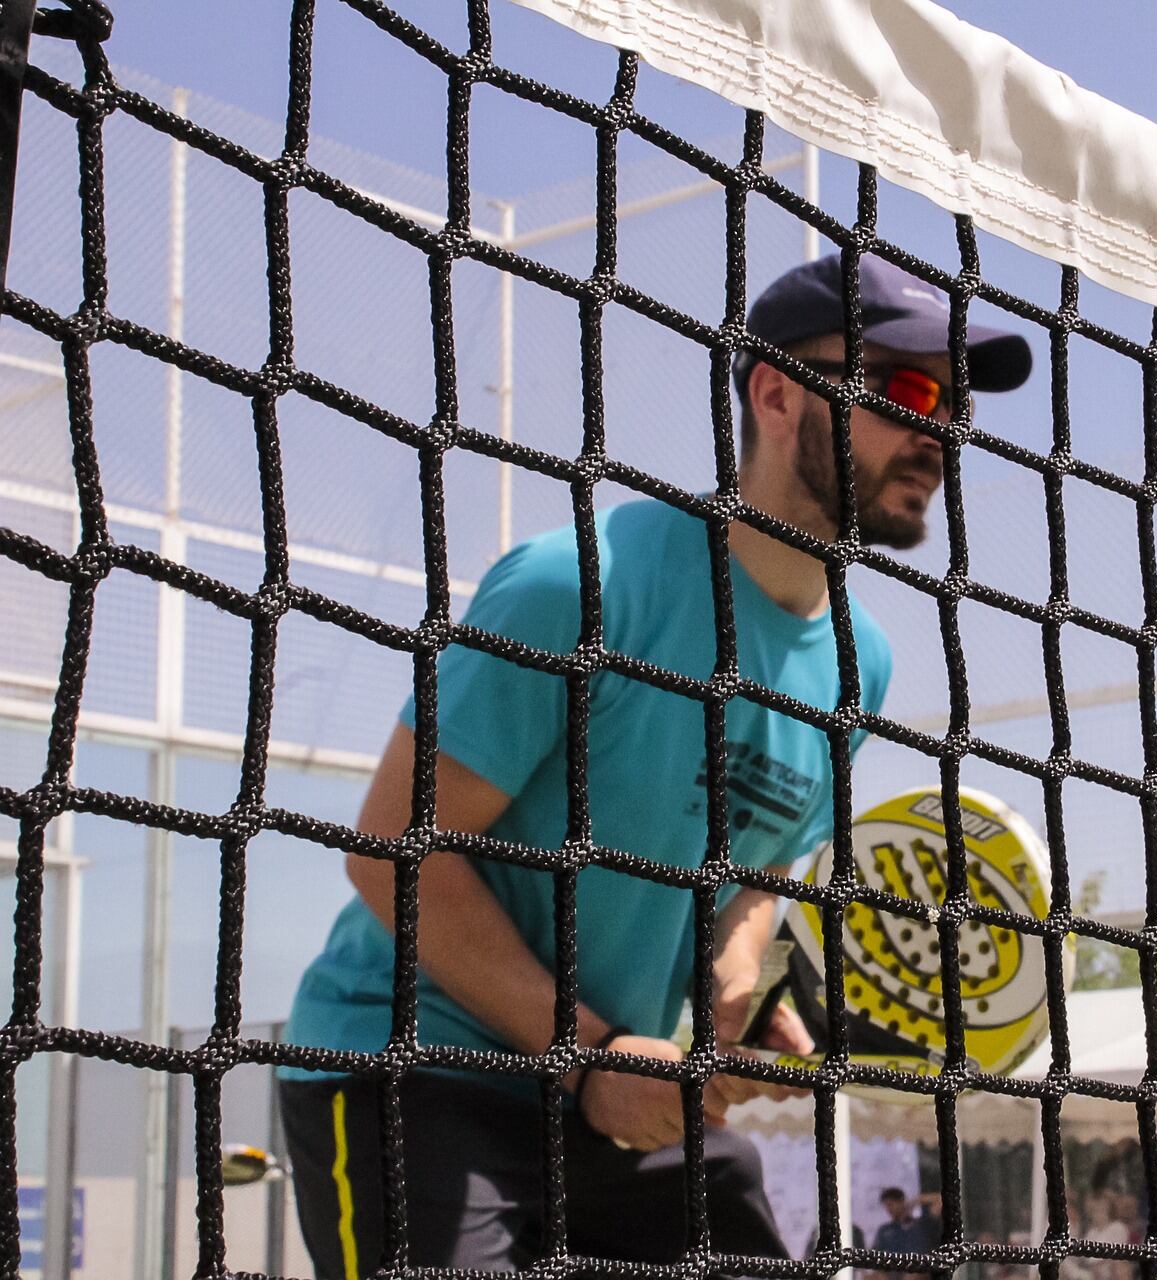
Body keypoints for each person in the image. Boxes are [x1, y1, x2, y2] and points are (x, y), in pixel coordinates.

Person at [274, 253, 1032, 1275]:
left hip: (609, 1096)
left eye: (953, 405)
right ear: (776, 392)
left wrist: (732, 1012)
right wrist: (588, 1050)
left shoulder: (864, 664)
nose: (936, 430)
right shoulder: (580, 586)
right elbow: (391, 853)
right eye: (904, 390)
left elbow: (750, 880)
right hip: (409, 1071)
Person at [871, 1186, 943, 1280]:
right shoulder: (885, 1230)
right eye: (886, 1206)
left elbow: (942, 1199)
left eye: (891, 1204)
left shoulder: (922, 1223)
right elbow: (875, 1257)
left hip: (919, 1272)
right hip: (893, 1274)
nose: (888, 1209)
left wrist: (917, 1200)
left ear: (901, 1202)